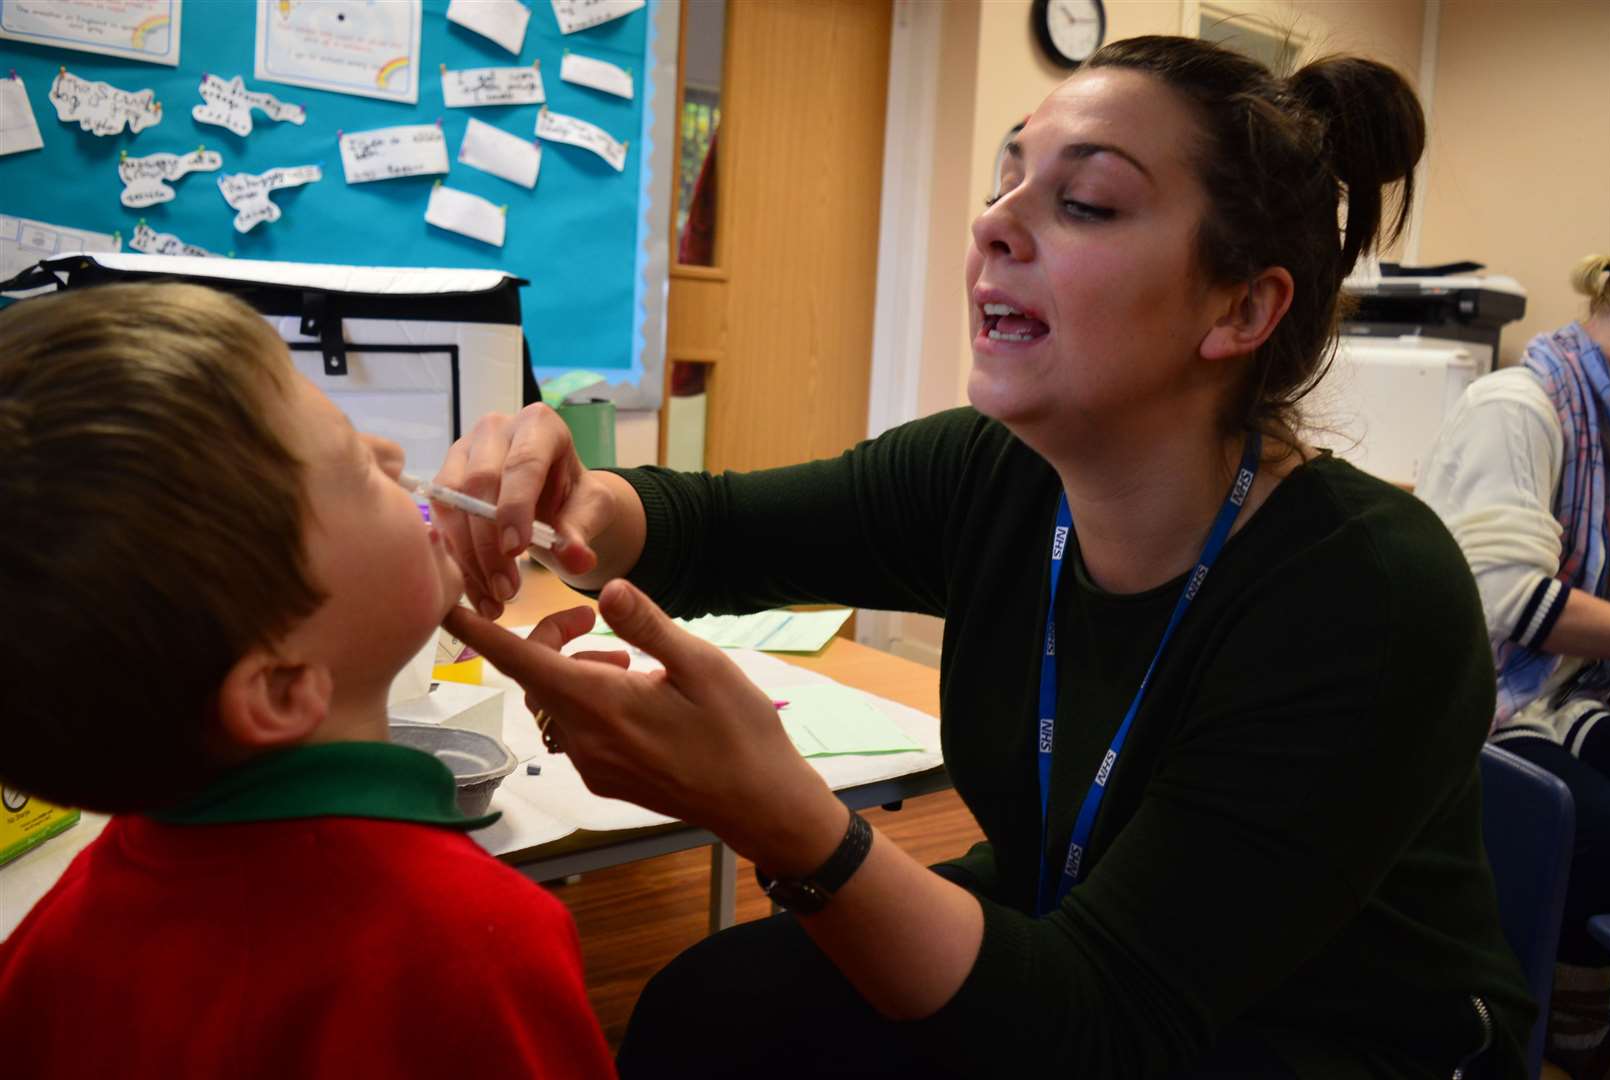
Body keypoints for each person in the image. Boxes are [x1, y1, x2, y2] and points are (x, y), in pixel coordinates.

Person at [438, 36, 1533, 1079]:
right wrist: (570, 499)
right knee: (711, 1013)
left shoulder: (1366, 595)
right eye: (1004, 182)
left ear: (1240, 306)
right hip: (1063, 936)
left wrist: (781, 820)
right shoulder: (995, 474)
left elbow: (1098, 1031)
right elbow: (717, 529)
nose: (994, 226)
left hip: (1312, 1035)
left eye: (1084, 202)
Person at [0, 283, 616, 1079]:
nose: (396, 458)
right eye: (360, 470)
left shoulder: (52, 942)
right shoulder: (478, 948)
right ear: (284, 690)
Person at [1417, 253, 1610, 1078]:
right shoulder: (1521, 407)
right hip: (1487, 703)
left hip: (1566, 696)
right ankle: (1541, 1024)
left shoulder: (1604, 424)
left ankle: (1575, 1008)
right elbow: (1511, 602)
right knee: (1597, 826)